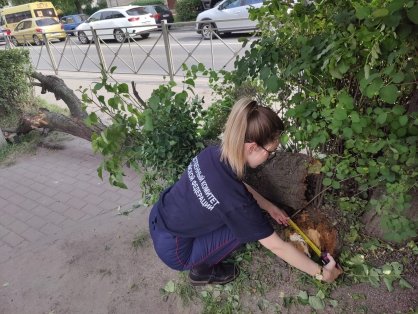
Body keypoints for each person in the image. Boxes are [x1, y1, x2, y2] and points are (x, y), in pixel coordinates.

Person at [149, 97, 342, 285]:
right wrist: (322, 274)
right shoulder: (237, 202)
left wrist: (269, 206)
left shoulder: (212, 154)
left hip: (158, 215)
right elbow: (277, 246)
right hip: (175, 251)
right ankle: (201, 271)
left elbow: (235, 185)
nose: (270, 157)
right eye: (270, 152)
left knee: (237, 217)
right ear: (252, 147)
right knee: (242, 229)